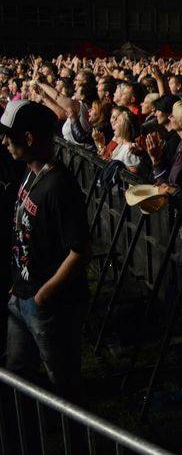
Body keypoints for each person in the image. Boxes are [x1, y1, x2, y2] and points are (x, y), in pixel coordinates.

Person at [1, 100, 90, 400]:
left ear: (29, 138)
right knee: (17, 372)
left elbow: (79, 251)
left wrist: (43, 296)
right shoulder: (29, 173)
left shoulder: (60, 186)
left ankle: (76, 438)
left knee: (63, 383)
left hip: (51, 306)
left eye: (10, 137)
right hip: (22, 296)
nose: (4, 142)